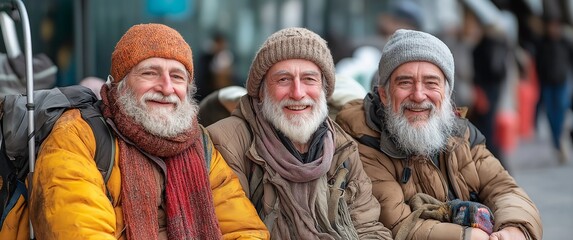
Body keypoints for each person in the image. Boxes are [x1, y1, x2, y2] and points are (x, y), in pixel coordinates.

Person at [29, 23, 269, 239]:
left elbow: (243, 229)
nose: (166, 88)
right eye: (150, 73)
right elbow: (78, 229)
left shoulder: (199, 144)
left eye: (176, 76)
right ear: (119, 84)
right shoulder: (77, 134)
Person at [335, 29, 542, 240]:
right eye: (405, 82)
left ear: (446, 93)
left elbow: (504, 188)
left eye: (431, 83)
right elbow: (397, 224)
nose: (418, 95)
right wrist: (468, 237)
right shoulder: (362, 140)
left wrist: (515, 229)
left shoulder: (461, 134)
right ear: (384, 95)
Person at [207, 27, 392, 239]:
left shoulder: (342, 147)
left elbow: (368, 227)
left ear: (324, 89)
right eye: (283, 79)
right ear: (261, 91)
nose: (297, 93)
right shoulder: (226, 142)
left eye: (309, 79)